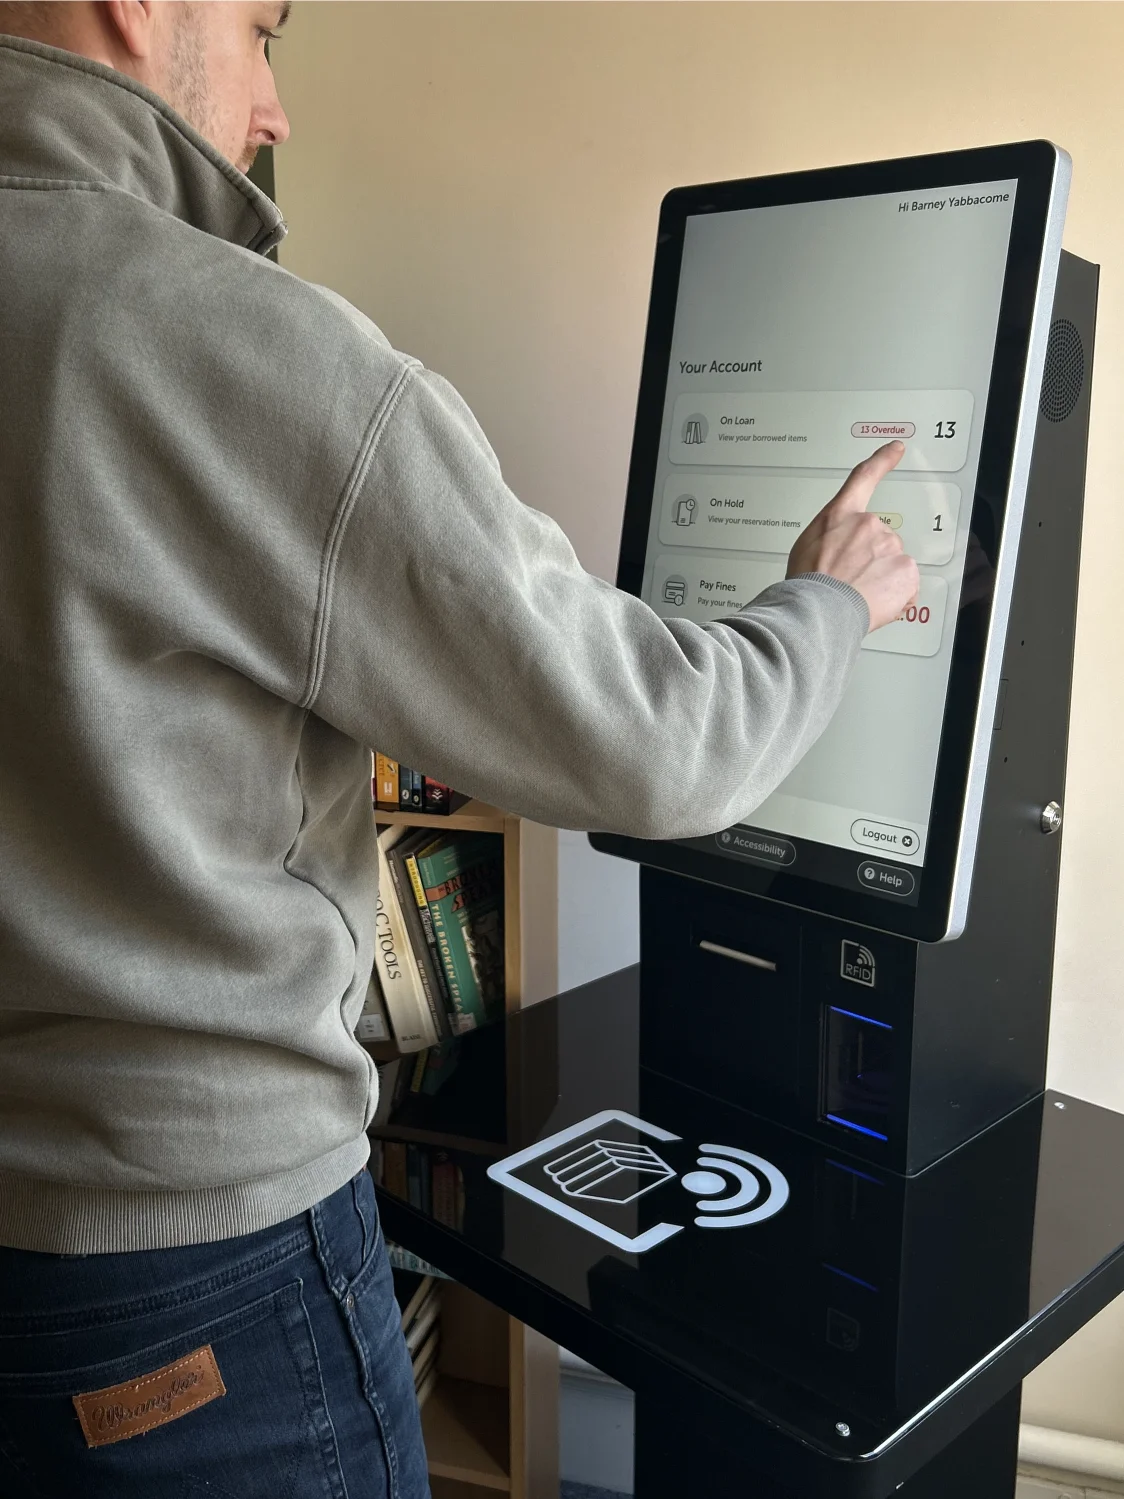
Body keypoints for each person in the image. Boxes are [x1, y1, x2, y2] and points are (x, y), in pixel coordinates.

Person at [0, 3, 919, 1495]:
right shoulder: (226, 340)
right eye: (262, 31)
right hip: (193, 1268)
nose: (275, 110)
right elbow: (657, 746)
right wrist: (832, 598)